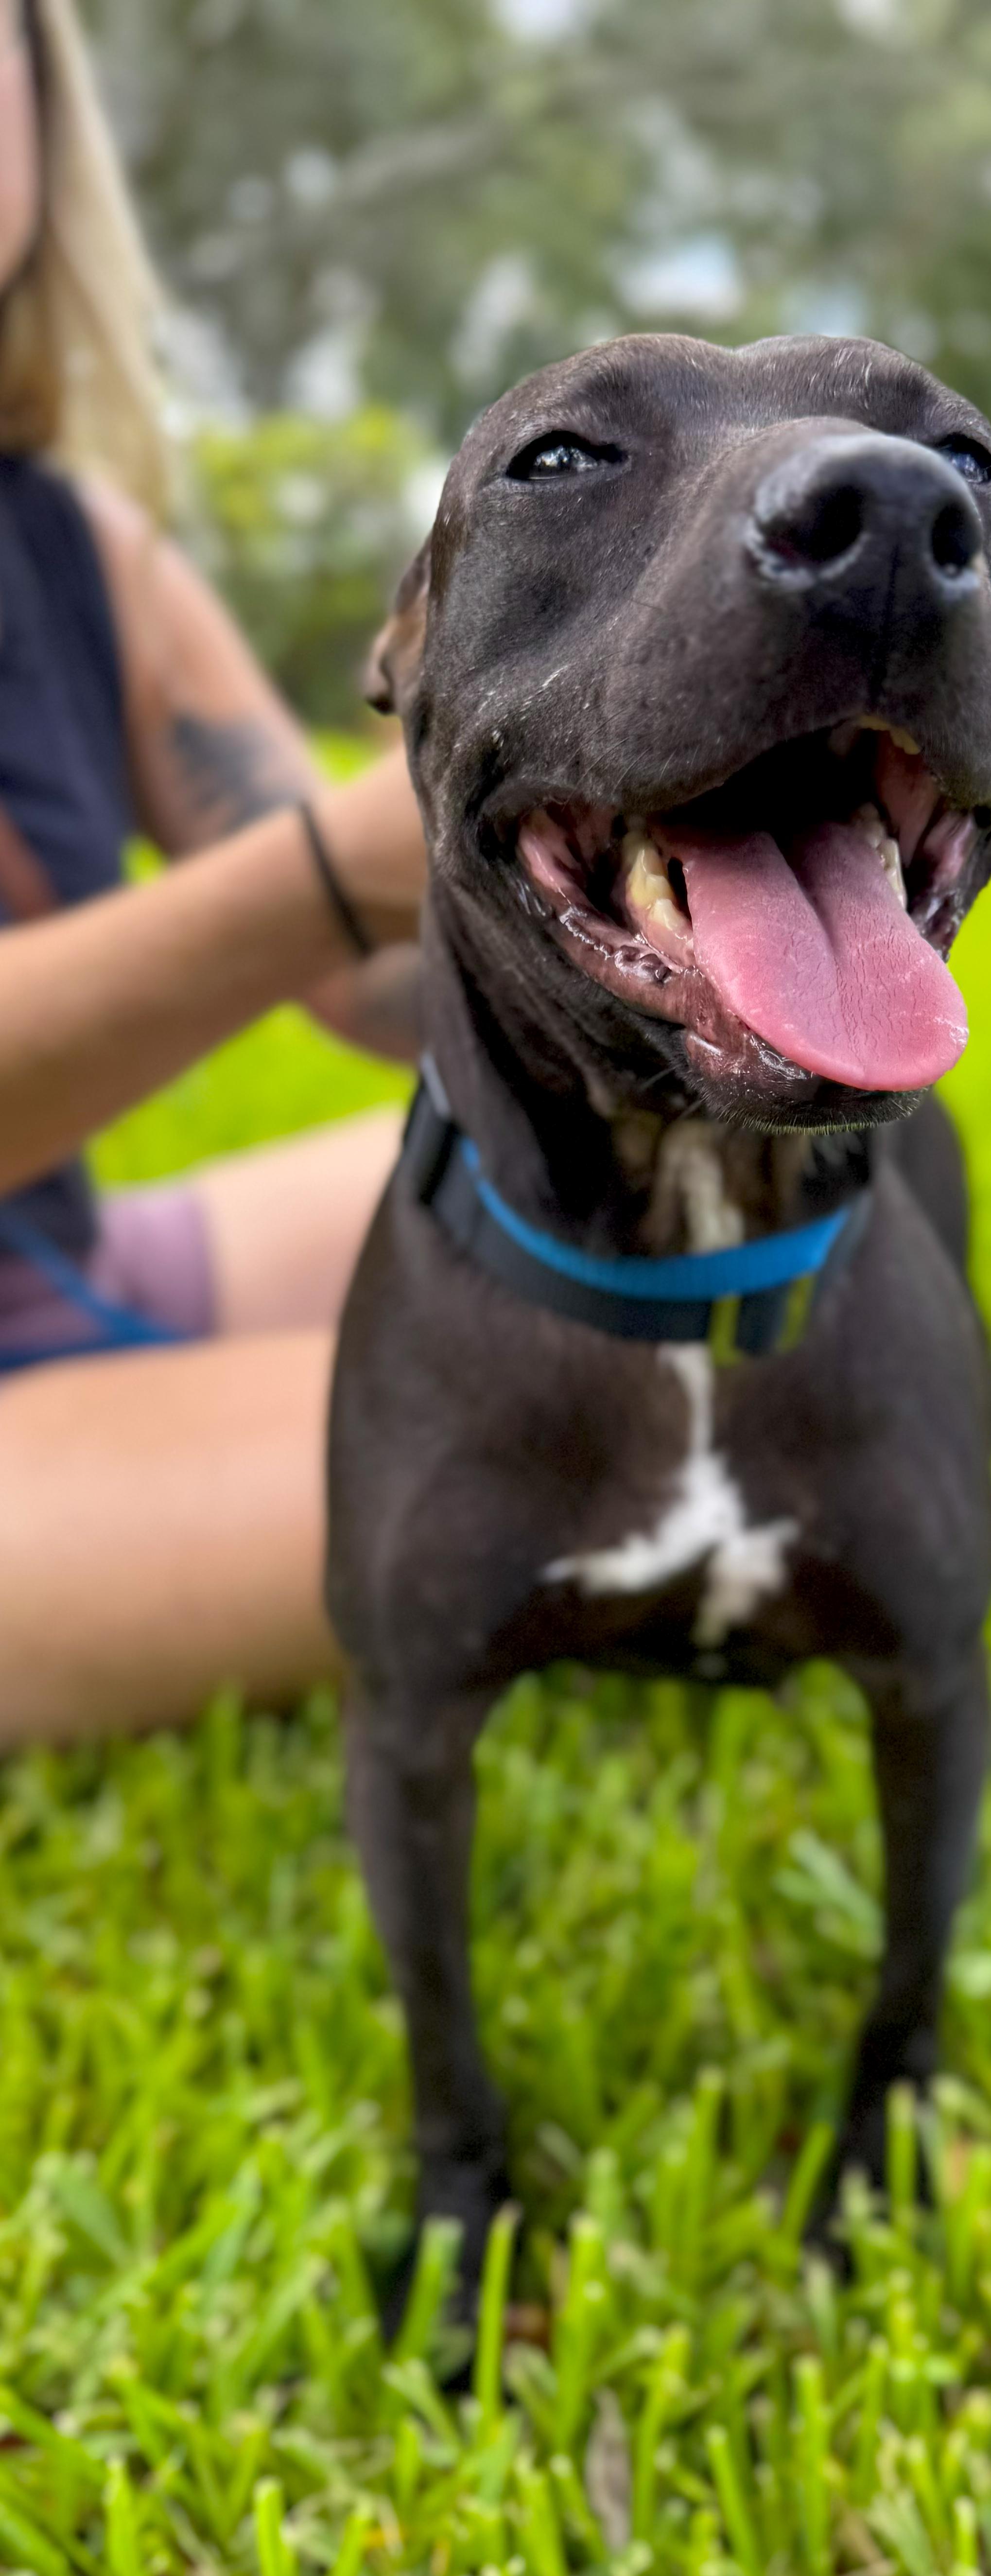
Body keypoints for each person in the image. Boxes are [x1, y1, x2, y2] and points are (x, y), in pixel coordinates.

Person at [0, 0, 430, 1749]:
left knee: (759, 1228)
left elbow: (377, 980)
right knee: (633, 1398)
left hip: (64, 1259)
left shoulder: (79, 549)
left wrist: (590, 888)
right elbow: (334, 889)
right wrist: (352, 859)